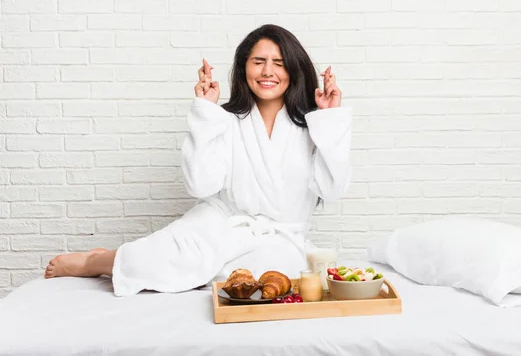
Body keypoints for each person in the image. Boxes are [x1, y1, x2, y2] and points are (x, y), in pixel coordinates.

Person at [44, 24, 352, 296]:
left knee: (267, 275)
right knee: (159, 258)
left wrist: (331, 118)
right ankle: (96, 260)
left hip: (279, 240)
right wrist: (205, 111)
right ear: (244, 68)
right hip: (220, 225)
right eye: (259, 62)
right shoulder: (226, 120)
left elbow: (333, 189)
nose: (268, 71)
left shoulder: (314, 126)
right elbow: (200, 185)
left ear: (293, 71)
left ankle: (159, 264)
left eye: (279, 63)